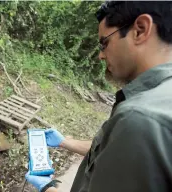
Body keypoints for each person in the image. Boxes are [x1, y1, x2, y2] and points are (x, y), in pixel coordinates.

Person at [25, 1, 172, 192]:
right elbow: (120, 156)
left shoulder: (140, 117)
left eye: (104, 43)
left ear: (140, 30)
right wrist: (65, 142)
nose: (100, 56)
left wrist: (47, 188)